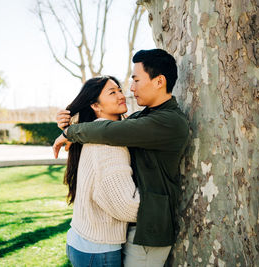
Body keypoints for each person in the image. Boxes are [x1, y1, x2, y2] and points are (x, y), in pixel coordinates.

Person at [54, 49, 189, 266]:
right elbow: (106, 124)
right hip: (131, 226)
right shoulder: (143, 117)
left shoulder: (169, 121)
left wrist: (70, 132)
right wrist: (69, 123)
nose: (130, 89)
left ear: (159, 81)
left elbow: (110, 131)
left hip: (147, 232)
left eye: (135, 80)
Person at [55, 75, 140, 267]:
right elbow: (127, 206)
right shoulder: (107, 144)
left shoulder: (93, 133)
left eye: (119, 89)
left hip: (82, 240)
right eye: (112, 92)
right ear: (95, 105)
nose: (121, 95)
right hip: (98, 251)